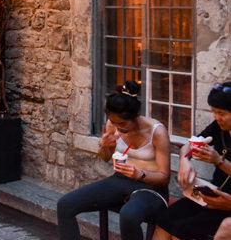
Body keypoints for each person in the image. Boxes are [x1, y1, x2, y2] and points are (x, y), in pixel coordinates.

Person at [57, 81, 170, 240]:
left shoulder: (157, 131)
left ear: (136, 116)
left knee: (129, 215)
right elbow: (105, 158)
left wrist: (140, 174)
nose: (119, 128)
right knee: (65, 204)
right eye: (115, 123)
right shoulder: (113, 124)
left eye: (123, 123)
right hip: (120, 180)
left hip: (151, 188)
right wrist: (104, 147)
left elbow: (165, 178)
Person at [152, 82, 231, 240]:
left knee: (181, 230)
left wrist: (219, 161)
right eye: (214, 112)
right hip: (212, 192)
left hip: (227, 202)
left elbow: (219, 162)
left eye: (221, 113)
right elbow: (189, 145)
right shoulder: (218, 127)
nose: (217, 117)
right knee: (164, 220)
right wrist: (184, 161)